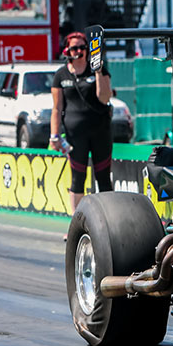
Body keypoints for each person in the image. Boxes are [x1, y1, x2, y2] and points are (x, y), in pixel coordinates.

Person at [51, 31, 113, 215]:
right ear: (67, 51)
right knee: (78, 177)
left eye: (82, 48)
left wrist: (98, 71)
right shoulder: (61, 75)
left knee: (103, 177)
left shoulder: (99, 70)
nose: (78, 51)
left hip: (100, 131)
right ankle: (77, 219)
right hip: (75, 135)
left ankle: (109, 218)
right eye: (74, 48)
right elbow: (57, 108)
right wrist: (54, 135)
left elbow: (104, 98)